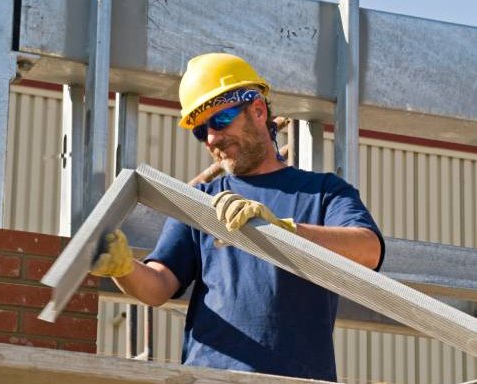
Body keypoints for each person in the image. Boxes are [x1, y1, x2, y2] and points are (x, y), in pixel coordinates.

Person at [91, 52, 384, 382]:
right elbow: (159, 286)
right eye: (201, 132)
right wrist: (124, 268)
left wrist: (283, 231)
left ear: (258, 110)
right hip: (210, 377)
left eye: (221, 120)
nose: (213, 138)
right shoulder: (200, 200)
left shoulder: (323, 192)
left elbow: (368, 251)